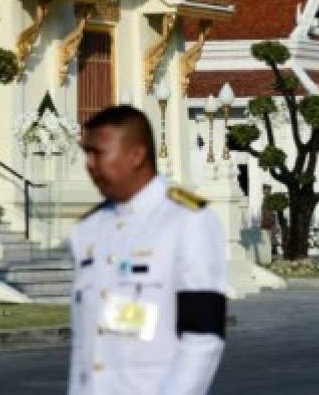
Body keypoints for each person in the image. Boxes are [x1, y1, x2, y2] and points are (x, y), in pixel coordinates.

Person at [68, 104, 227, 395]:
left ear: (136, 155)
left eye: (98, 153)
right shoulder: (87, 230)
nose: (89, 164)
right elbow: (84, 347)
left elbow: (203, 336)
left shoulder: (187, 219)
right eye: (86, 153)